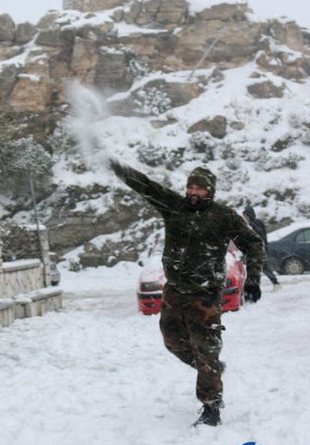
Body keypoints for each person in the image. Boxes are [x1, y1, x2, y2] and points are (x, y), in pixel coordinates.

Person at [109, 160, 265, 427]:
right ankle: (210, 368)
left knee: (206, 349)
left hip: (204, 295)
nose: (193, 192)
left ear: (210, 191)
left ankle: (211, 407)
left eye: (199, 189)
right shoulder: (174, 206)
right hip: (174, 292)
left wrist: (253, 279)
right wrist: (119, 169)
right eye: (190, 187)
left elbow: (254, 244)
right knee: (172, 342)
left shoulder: (223, 216)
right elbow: (147, 186)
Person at [242, 206, 281, 292]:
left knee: (261, 267)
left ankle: (276, 284)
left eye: (246, 216)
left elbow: (261, 235)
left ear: (249, 215)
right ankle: (275, 283)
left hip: (259, 249)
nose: (245, 218)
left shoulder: (255, 223)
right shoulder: (252, 223)